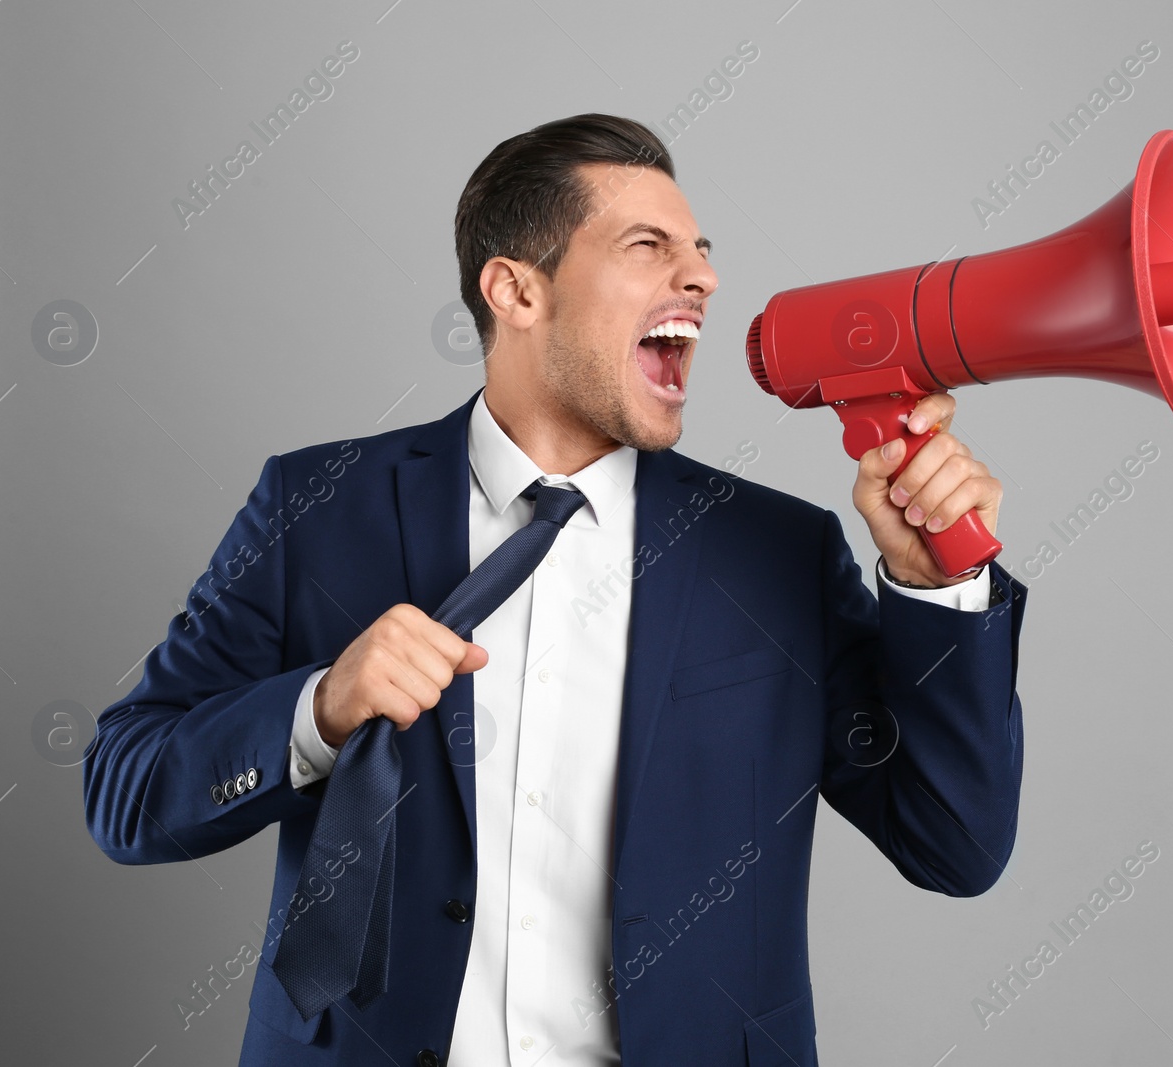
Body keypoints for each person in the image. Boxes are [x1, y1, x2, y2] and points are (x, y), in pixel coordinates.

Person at [84, 113, 1027, 1067]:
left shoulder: (779, 553)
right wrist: (318, 711)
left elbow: (955, 844)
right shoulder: (315, 509)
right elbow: (125, 790)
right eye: (647, 246)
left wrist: (937, 589)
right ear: (515, 290)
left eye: (700, 251)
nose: (700, 278)